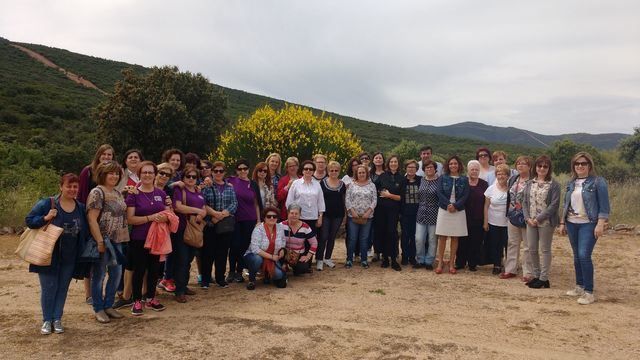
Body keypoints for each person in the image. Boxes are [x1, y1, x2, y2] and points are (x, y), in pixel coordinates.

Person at [26, 173, 88, 335]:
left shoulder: (80, 207)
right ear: (61, 187)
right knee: (49, 288)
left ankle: (57, 318)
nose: (72, 189)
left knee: (62, 289)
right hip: (48, 255)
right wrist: (45, 217)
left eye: (75, 186)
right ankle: (47, 320)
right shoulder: (48, 203)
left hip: (70, 257)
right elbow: (30, 220)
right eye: (69, 186)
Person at [560, 152, 610, 305]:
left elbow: (604, 205)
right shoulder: (571, 182)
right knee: (576, 256)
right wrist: (562, 222)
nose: (580, 166)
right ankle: (579, 286)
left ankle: (589, 292)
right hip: (571, 223)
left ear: (589, 165)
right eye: (577, 164)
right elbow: (565, 204)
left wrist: (600, 223)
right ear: (573, 166)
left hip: (589, 224)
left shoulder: (598, 182)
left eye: (583, 163)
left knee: (584, 255)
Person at [86, 161, 129, 323]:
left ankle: (109, 305)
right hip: (103, 239)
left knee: (116, 274)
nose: (114, 176)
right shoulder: (97, 192)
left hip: (118, 240)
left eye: (117, 173)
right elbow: (91, 219)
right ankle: (98, 308)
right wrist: (99, 241)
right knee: (99, 275)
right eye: (111, 173)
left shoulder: (117, 193)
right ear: (102, 174)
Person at [126, 161, 169, 316]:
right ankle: (137, 300)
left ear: (154, 175)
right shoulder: (133, 194)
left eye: (151, 172)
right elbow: (130, 219)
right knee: (139, 270)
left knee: (154, 270)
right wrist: (150, 217)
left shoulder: (161, 194)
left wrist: (165, 218)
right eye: (144, 172)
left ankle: (151, 298)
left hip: (157, 238)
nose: (147, 175)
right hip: (139, 238)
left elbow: (167, 214)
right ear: (139, 174)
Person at [77, 144, 114, 305]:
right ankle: (89, 293)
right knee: (91, 257)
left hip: (107, 222)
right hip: (91, 219)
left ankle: (100, 292)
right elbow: (81, 196)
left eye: (110, 155)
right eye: (104, 154)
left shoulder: (111, 173)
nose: (107, 157)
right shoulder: (88, 171)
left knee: (104, 260)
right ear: (98, 155)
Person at [523, 155, 561, 289]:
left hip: (545, 222)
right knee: (532, 249)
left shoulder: (554, 185)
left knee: (545, 250)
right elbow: (525, 202)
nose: (542, 168)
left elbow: (554, 205)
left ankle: (544, 278)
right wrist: (527, 218)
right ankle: (537, 276)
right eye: (540, 166)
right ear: (536, 167)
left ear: (549, 168)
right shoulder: (529, 183)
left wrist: (538, 219)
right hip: (530, 222)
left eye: (545, 166)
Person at [172, 165, 207, 301]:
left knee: (188, 260)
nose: (191, 179)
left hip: (194, 229)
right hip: (182, 228)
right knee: (181, 259)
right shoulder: (180, 189)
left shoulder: (198, 191)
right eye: (188, 176)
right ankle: (179, 291)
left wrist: (202, 213)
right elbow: (178, 207)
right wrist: (198, 211)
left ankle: (183, 286)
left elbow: (203, 207)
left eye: (194, 177)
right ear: (183, 177)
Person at [202, 161, 238, 288]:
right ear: (212, 172)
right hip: (210, 223)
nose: (218, 173)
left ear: (224, 173)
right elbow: (203, 203)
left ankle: (220, 278)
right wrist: (215, 215)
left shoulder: (230, 187)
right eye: (215, 171)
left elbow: (234, 204)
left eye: (221, 171)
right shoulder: (207, 187)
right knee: (208, 253)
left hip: (225, 225)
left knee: (222, 253)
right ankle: (205, 279)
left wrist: (222, 214)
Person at [227, 159, 261, 283]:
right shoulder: (230, 181)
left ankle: (239, 272)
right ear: (236, 170)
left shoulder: (253, 184)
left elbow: (257, 204)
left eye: (245, 168)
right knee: (234, 245)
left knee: (244, 247)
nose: (243, 171)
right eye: (240, 169)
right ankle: (231, 271)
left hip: (250, 219)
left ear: (248, 170)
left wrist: (258, 220)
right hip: (235, 219)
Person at [435, 156, 469, 274]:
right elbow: (439, 192)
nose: (453, 165)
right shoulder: (442, 178)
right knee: (442, 237)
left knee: (455, 237)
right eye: (451, 164)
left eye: (455, 163)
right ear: (447, 166)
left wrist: (456, 206)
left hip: (458, 211)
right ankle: (440, 262)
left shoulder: (464, 179)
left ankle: (451, 263)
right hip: (444, 210)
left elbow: (465, 195)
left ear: (459, 165)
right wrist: (449, 204)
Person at [501, 156, 533, 281]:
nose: (520, 166)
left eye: (524, 164)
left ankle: (528, 272)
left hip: (526, 217)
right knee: (512, 243)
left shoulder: (533, 181)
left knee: (528, 246)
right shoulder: (513, 179)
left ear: (530, 166)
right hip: (513, 216)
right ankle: (510, 270)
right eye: (518, 163)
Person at [244, 207, 288, 290]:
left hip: (272, 258)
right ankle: (252, 280)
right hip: (256, 256)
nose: (272, 218)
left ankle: (267, 275)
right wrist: (271, 257)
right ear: (264, 217)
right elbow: (255, 249)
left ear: (277, 218)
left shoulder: (280, 228)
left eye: (274, 216)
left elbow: (283, 241)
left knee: (279, 275)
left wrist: (282, 249)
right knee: (258, 259)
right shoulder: (258, 229)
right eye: (269, 216)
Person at [456, 160, 488, 272]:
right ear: (468, 170)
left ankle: (472, 263)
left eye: (476, 169)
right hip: (462, 216)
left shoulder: (484, 184)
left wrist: (485, 221)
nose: (474, 171)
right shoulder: (462, 181)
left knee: (476, 241)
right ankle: (460, 262)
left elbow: (486, 203)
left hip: (478, 217)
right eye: (472, 169)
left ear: (479, 171)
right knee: (462, 241)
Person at [345, 165, 377, 268]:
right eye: (359, 173)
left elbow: (374, 200)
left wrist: (368, 212)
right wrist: (352, 211)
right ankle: (349, 259)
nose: (361, 174)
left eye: (363, 172)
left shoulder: (372, 185)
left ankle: (364, 260)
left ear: (366, 173)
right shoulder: (351, 185)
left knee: (364, 239)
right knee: (352, 238)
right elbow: (347, 199)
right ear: (356, 174)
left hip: (367, 217)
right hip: (353, 216)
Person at [377, 155, 406, 271]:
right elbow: (377, 189)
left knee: (392, 234)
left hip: (394, 211)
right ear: (388, 164)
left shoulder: (402, 178)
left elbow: (401, 198)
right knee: (383, 233)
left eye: (395, 162)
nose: (393, 163)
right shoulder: (382, 176)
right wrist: (382, 192)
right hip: (381, 210)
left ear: (398, 164)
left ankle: (394, 259)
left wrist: (389, 195)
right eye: (391, 162)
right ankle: (385, 258)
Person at [317, 161, 346, 270]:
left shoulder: (342, 184)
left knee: (332, 237)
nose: (334, 172)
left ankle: (327, 258)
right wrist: (320, 214)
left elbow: (343, 200)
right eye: (331, 170)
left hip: (338, 215)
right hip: (325, 214)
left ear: (339, 171)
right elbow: (319, 199)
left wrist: (345, 215)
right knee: (323, 237)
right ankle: (319, 259)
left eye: (336, 170)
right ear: (328, 171)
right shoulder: (322, 183)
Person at [285, 160, 325, 235]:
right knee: (299, 241)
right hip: (298, 218)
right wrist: (290, 216)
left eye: (311, 169)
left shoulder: (317, 184)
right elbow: (289, 201)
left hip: (313, 218)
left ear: (313, 171)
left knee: (311, 241)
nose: (308, 170)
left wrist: (320, 217)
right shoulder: (296, 184)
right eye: (306, 169)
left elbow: (321, 202)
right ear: (302, 170)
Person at [484, 164, 510, 275]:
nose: (501, 176)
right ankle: (497, 264)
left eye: (503, 174)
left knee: (508, 244)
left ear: (508, 175)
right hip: (493, 221)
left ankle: (510, 265)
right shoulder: (490, 189)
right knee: (495, 244)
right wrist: (485, 222)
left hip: (508, 222)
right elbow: (486, 206)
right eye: (498, 174)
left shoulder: (512, 188)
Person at [414, 160, 439, 270]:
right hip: (421, 213)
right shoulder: (421, 180)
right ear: (424, 170)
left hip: (434, 213)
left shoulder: (439, 181)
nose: (429, 169)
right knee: (419, 238)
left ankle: (429, 261)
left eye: (431, 167)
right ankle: (420, 259)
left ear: (435, 169)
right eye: (427, 168)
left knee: (432, 239)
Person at [282, 204, 318, 275]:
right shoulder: (281, 225)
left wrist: (308, 256)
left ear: (300, 215)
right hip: (284, 254)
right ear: (288, 213)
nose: (294, 215)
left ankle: (295, 267)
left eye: (296, 213)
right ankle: (284, 264)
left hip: (299, 254)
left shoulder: (305, 227)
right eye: (292, 213)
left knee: (302, 269)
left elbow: (314, 243)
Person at [400, 160, 421, 266]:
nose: (411, 169)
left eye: (413, 167)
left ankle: (413, 257)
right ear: (406, 169)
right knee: (405, 235)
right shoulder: (402, 181)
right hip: (404, 213)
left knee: (414, 236)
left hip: (417, 212)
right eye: (409, 167)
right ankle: (404, 256)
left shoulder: (421, 180)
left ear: (416, 169)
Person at [370, 152, 386, 262]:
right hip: (372, 204)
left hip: (385, 204)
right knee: (375, 229)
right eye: (376, 158)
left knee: (384, 229)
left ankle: (385, 251)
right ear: (373, 160)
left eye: (380, 158)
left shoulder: (387, 173)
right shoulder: (369, 173)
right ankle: (376, 252)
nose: (378, 159)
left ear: (383, 160)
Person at [276, 156, 300, 220]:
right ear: (287, 168)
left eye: (294, 165)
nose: (292, 168)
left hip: (301, 213)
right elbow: (278, 197)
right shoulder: (283, 180)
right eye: (290, 166)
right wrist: (287, 187)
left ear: (298, 167)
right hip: (286, 213)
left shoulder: (302, 179)